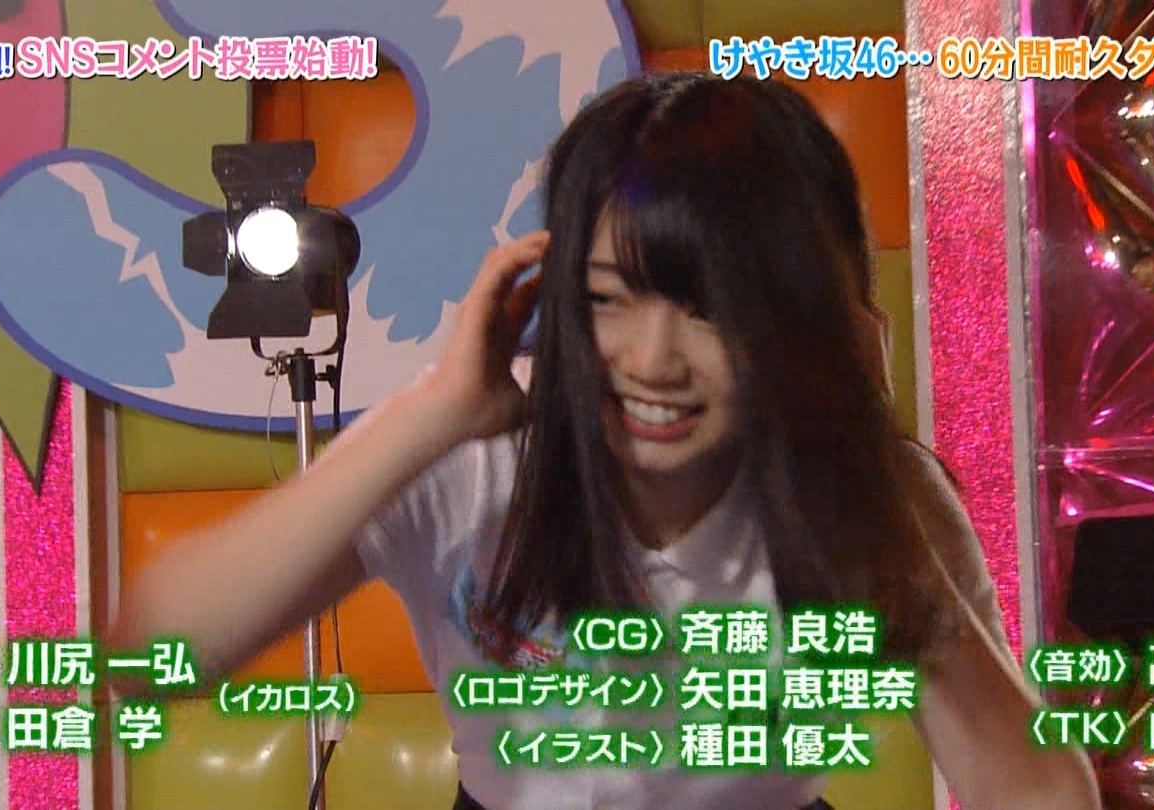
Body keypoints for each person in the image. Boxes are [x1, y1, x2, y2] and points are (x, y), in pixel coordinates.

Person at [111, 72, 1100, 810]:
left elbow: (1043, 795)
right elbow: (146, 659)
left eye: (710, 309)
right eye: (605, 301)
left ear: (797, 313)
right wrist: (429, 413)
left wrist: (859, 470)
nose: (652, 362)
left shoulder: (874, 494)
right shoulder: (470, 457)